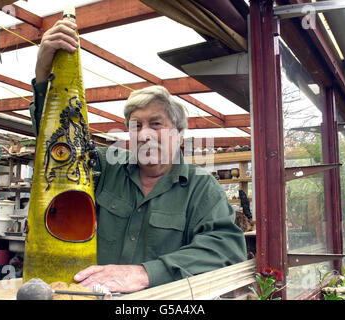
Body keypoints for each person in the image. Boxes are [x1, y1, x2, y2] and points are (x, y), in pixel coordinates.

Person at [29, 19, 247, 293]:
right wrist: (42, 73)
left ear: (179, 134)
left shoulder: (201, 189)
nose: (144, 134)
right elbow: (57, 149)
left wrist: (145, 274)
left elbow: (225, 248)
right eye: (136, 125)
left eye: (156, 124)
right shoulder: (105, 167)